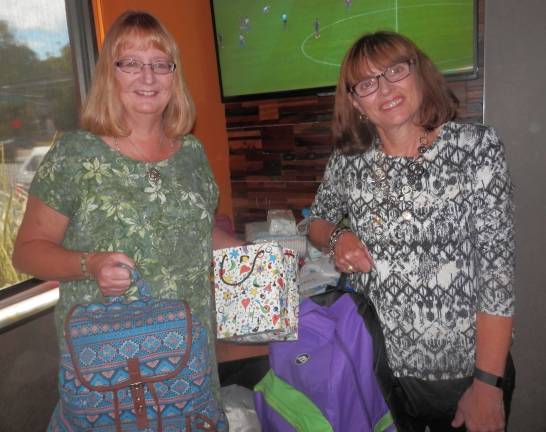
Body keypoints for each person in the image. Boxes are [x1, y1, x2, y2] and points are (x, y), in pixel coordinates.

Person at [12, 10, 239, 430]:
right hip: (111, 364)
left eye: (159, 64)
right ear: (108, 74)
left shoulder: (191, 153)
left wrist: (254, 257)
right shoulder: (74, 155)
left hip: (191, 352)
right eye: (130, 63)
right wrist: (90, 264)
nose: (148, 77)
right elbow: (26, 252)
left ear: (174, 75)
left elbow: (197, 232)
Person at [308, 31, 515, 432]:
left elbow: (497, 276)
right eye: (367, 83)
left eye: (395, 70)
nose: (385, 88)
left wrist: (488, 385)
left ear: (418, 72)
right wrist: (338, 237)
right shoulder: (349, 161)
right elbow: (317, 220)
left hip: (463, 378)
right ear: (355, 102)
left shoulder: (475, 149)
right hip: (377, 373)